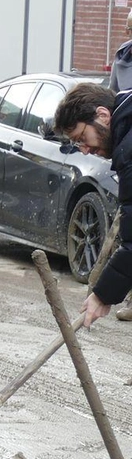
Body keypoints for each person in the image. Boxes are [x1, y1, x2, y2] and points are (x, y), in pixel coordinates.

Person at [53, 84, 132, 327]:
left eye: (81, 138)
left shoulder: (128, 152)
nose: (86, 150)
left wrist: (103, 295)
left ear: (103, 115)